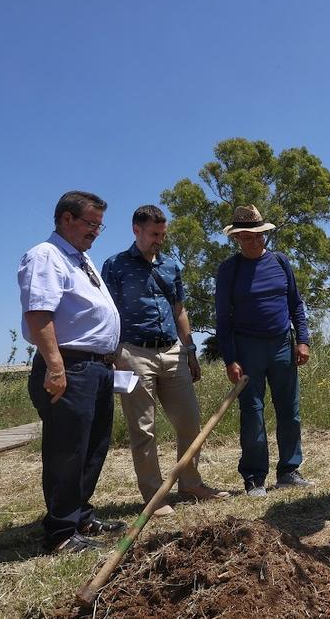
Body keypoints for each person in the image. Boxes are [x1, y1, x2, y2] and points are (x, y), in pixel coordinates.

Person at [17, 190, 124, 554]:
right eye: (90, 223)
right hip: (69, 366)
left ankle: (80, 515)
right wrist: (55, 366)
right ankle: (61, 532)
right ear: (66, 219)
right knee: (67, 450)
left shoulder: (81, 260)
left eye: (99, 225)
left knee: (93, 447)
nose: (96, 231)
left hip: (96, 367)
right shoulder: (46, 256)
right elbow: (39, 313)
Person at [101, 205, 228, 508]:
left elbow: (180, 310)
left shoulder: (171, 265)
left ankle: (191, 484)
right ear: (136, 230)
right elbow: (107, 312)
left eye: (163, 234)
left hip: (172, 351)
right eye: (154, 234)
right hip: (132, 354)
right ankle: (154, 497)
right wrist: (115, 354)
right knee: (143, 429)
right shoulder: (114, 265)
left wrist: (191, 351)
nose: (159, 239)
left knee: (190, 422)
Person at [214, 205, 313, 497]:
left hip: (283, 343)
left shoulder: (281, 263)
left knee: (289, 411)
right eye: (248, 237)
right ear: (237, 238)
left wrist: (303, 340)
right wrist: (230, 358)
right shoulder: (228, 271)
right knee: (253, 413)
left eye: (259, 235)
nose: (255, 241)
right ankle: (255, 477)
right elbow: (223, 319)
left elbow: (296, 304)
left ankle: (289, 471)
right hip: (247, 348)